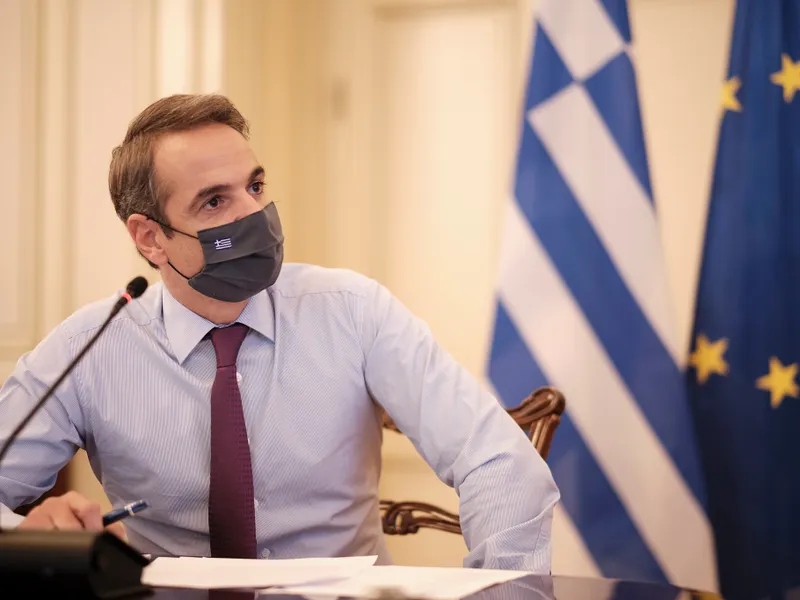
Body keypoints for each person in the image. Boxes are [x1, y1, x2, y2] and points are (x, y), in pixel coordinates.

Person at [0, 94, 559, 571]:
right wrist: (34, 534)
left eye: (256, 185)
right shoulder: (88, 348)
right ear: (150, 238)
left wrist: (502, 589)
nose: (254, 213)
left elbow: (498, 460)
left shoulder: (353, 312)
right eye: (215, 201)